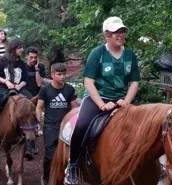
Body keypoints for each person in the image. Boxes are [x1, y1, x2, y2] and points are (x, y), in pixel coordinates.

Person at [64, 16, 141, 184]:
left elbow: (134, 82)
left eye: (122, 31)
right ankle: (73, 165)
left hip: (122, 99)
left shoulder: (130, 55)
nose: (120, 35)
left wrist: (127, 101)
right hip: (97, 98)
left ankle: (159, 167)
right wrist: (101, 104)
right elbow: (88, 83)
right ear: (106, 35)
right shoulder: (97, 53)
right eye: (115, 33)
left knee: (147, 126)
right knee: (82, 125)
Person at [36, 63, 78, 185]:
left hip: (65, 127)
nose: (62, 77)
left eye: (64, 74)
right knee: (50, 156)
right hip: (49, 127)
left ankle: (64, 177)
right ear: (53, 75)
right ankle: (46, 176)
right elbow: (39, 107)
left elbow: (74, 108)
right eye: (59, 74)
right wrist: (38, 122)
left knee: (67, 156)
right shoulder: (45, 89)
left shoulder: (69, 89)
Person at [0, 38, 31, 140]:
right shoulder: (2, 60)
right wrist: (6, 82)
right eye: (20, 48)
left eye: (22, 47)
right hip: (3, 87)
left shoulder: (22, 63)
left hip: (18, 89)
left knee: (31, 102)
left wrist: (20, 85)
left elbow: (25, 80)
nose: (22, 50)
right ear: (14, 49)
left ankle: (33, 128)